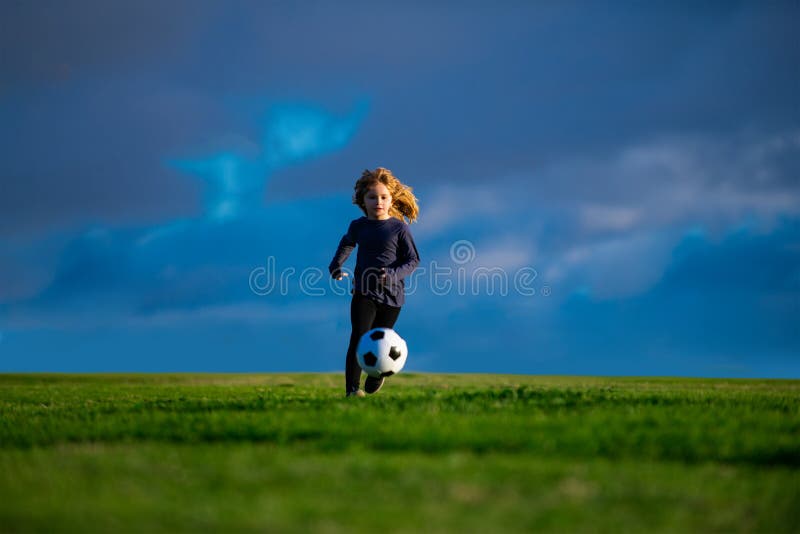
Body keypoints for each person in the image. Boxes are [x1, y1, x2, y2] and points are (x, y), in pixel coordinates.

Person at [329, 167, 420, 397]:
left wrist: (391, 275)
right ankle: (351, 391)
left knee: (381, 343)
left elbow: (413, 260)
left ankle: (377, 374)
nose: (378, 202)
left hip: (392, 298)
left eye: (383, 197)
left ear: (391, 199)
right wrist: (336, 265)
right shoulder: (358, 226)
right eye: (372, 197)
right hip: (363, 292)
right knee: (359, 336)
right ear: (363, 200)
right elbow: (347, 244)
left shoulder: (399, 228)